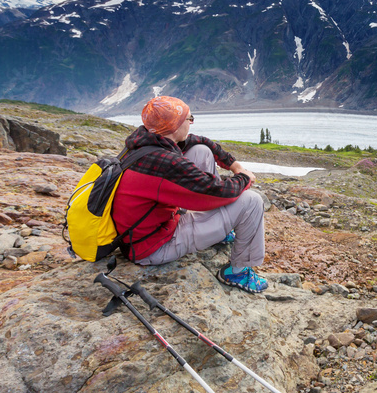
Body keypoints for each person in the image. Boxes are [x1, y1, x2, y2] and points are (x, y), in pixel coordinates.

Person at [111, 95, 268, 293]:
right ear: (175, 126)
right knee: (252, 201)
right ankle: (237, 272)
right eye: (189, 118)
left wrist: (233, 164)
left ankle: (220, 232)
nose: (191, 123)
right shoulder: (165, 162)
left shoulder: (146, 140)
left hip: (138, 234)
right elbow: (218, 192)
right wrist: (244, 178)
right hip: (153, 247)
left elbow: (200, 142)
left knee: (201, 151)